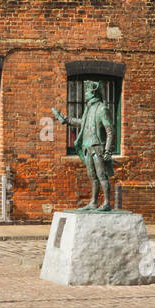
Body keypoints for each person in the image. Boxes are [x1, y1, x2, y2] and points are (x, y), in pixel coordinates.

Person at [52, 80, 115, 211]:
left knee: (101, 175)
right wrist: (66, 120)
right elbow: (83, 123)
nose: (84, 94)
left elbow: (110, 131)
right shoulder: (89, 108)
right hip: (87, 146)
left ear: (92, 92)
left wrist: (108, 150)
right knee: (92, 176)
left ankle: (107, 203)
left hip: (98, 147)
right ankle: (93, 202)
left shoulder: (102, 109)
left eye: (86, 91)